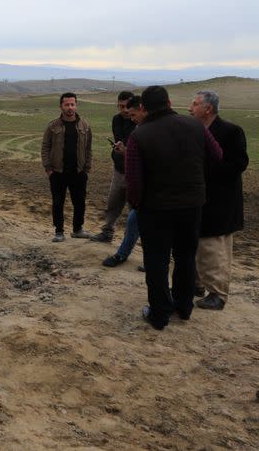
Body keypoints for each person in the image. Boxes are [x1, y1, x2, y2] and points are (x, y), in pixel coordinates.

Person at [126, 85, 222, 330]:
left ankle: (159, 314)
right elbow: (217, 155)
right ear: (169, 103)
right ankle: (184, 307)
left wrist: (136, 204)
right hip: (191, 206)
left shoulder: (139, 135)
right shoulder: (195, 126)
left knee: (157, 262)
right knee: (185, 257)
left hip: (155, 210)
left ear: (144, 108)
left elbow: (134, 180)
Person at [188, 90, 248, 311]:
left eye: (194, 104)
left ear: (208, 109)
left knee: (215, 249)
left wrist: (203, 169)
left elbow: (238, 164)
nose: (189, 108)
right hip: (199, 199)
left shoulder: (231, 132)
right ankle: (197, 285)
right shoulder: (194, 130)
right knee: (197, 246)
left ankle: (217, 294)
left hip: (221, 202)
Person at [41, 92, 93, 242]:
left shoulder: (85, 125)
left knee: (80, 202)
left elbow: (88, 148)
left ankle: (77, 229)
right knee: (58, 203)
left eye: (72, 104)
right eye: (67, 104)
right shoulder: (53, 126)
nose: (70, 107)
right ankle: (59, 231)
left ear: (76, 105)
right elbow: (45, 147)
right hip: (58, 172)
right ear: (61, 106)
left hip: (79, 171)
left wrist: (87, 167)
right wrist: (48, 168)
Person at [102, 96, 146, 267]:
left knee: (145, 223)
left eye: (132, 113)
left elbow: (146, 159)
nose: (128, 114)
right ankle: (121, 253)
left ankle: (153, 259)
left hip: (149, 186)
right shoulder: (135, 126)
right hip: (126, 173)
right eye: (121, 107)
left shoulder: (148, 130)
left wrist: (126, 151)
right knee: (132, 218)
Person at [91, 91, 136, 242]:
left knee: (133, 209)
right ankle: (107, 232)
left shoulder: (139, 122)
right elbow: (119, 139)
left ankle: (129, 241)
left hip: (135, 173)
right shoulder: (116, 120)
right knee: (113, 203)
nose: (124, 110)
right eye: (120, 106)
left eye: (127, 106)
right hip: (118, 169)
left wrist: (125, 150)